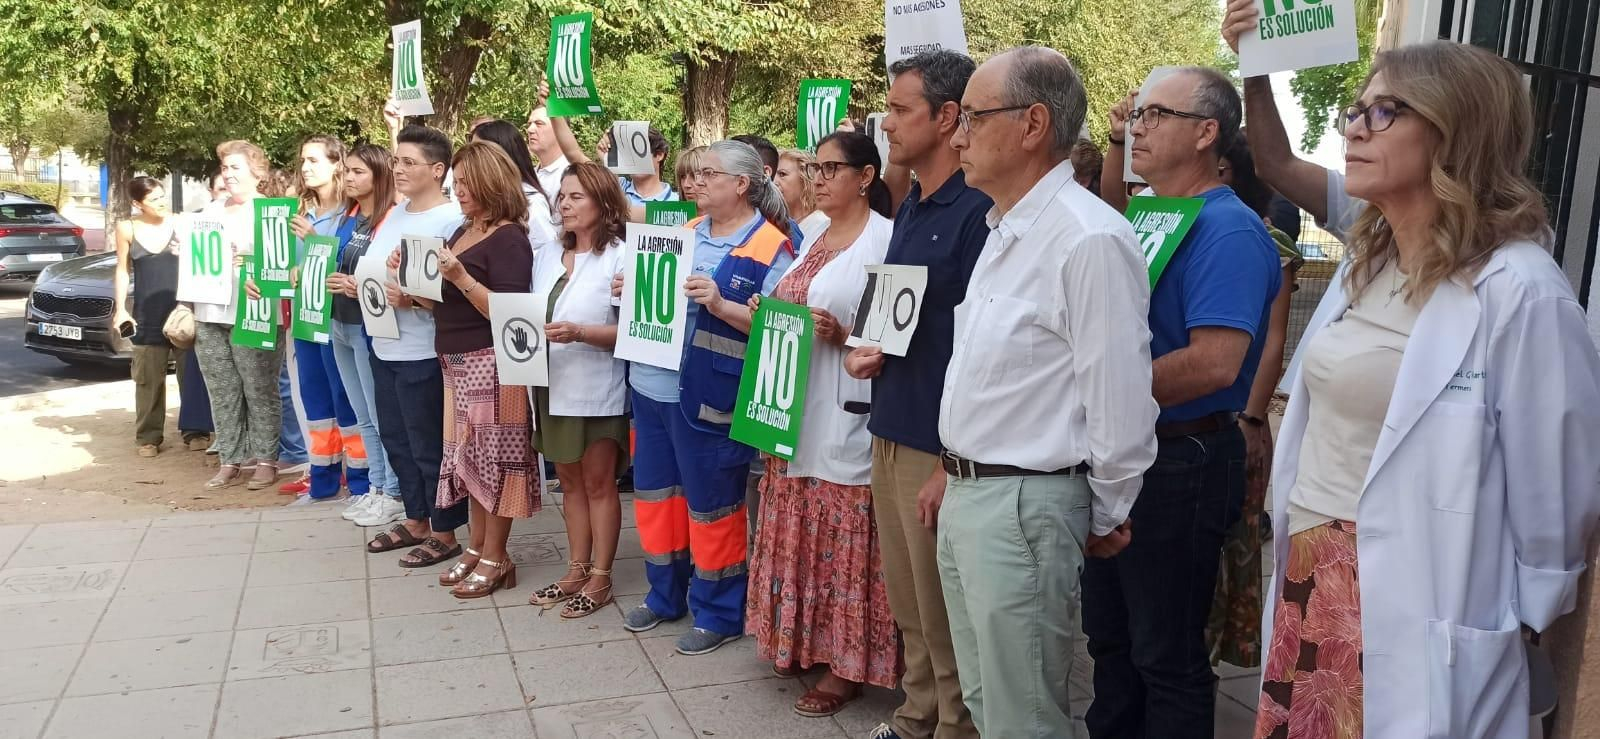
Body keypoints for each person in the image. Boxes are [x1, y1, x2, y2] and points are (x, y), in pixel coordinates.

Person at [1234, 41, 1600, 739]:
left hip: (1415, 599)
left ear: (1455, 129)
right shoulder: (1364, 266)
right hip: (1313, 572)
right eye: (1356, 110)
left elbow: (1556, 501)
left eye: (1386, 111)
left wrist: (1508, 624)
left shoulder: (1520, 290)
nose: (1355, 128)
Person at [932, 47, 1161, 738]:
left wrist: (1099, 509)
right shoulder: (1006, 229)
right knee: (988, 702)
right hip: (973, 495)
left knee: (1025, 718)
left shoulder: (1088, 238)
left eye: (972, 116)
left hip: (1025, 504)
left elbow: (1119, 401)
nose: (957, 135)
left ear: (1033, 123)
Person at [1079, 66, 1280, 739]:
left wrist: (1099, 387)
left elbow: (1214, 362)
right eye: (1137, 113)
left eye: (1155, 114)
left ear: (1206, 132)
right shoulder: (1154, 214)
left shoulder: (1228, 229)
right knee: (1111, 638)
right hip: (1126, 449)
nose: (1138, 125)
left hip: (1180, 457)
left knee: (1165, 653)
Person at [843, 48, 987, 739]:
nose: (887, 123)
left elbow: (981, 350)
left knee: (942, 605)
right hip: (889, 425)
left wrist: (946, 461)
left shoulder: (978, 212)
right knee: (908, 600)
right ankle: (916, 714)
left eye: (900, 110)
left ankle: (956, 725)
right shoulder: (910, 207)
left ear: (949, 115)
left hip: (941, 444)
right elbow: (901, 318)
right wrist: (870, 350)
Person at [745, 131, 900, 717]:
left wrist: (844, 335)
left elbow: (896, 336)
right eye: (814, 167)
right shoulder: (806, 234)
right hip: (789, 408)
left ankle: (846, 665)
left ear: (865, 176)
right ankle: (801, 640)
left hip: (843, 412)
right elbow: (783, 297)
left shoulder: (887, 240)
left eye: (832, 168)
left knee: (844, 538)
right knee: (795, 525)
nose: (818, 177)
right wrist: (768, 312)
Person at [620, 140, 796, 656]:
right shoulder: (684, 231)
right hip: (651, 387)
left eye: (708, 174)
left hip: (710, 396)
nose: (696, 182)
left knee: (713, 508)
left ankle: (719, 610)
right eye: (693, 174)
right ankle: (664, 592)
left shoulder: (772, 246)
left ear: (742, 184)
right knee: (657, 501)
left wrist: (720, 304)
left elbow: (780, 326)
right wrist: (629, 288)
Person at [397, 140, 537, 598]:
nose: (459, 192)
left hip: (492, 362)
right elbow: (443, 303)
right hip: (455, 362)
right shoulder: (463, 230)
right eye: (456, 184)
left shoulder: (510, 237)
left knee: (494, 461)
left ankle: (497, 555)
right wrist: (412, 284)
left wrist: (460, 277)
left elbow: (510, 313)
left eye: (467, 185)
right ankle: (477, 547)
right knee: (468, 461)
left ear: (492, 184)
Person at [1205, 130, 1303, 670]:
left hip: (1238, 414)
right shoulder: (1187, 226)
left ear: (1226, 172)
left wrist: (1251, 415)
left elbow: (1273, 339)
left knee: (1224, 549)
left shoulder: (1269, 243)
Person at [524, 162, 630, 619]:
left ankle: (602, 576)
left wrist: (581, 333)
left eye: (576, 197)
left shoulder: (622, 256)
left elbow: (632, 331)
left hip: (595, 384)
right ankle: (576, 568)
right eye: (561, 197)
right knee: (567, 481)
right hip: (550, 383)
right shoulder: (548, 253)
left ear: (603, 203)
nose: (564, 204)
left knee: (598, 482)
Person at [362, 125, 469, 569]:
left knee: (429, 443)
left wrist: (412, 298)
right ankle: (416, 518)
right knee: (396, 438)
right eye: (397, 160)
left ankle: (444, 531)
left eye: (409, 162)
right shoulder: (396, 211)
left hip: (423, 350)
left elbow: (452, 290)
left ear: (438, 169)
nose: (398, 168)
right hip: (383, 341)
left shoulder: (450, 218)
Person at [254, 135, 371, 505]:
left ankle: (362, 482)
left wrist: (316, 237)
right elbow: (278, 265)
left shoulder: (353, 212)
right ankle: (321, 482)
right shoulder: (296, 211)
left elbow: (346, 261)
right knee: (316, 401)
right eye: (302, 160)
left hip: (337, 315)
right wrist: (259, 281)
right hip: (304, 315)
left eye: (314, 161)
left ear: (337, 164)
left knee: (347, 399)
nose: (305, 168)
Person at [193, 140, 284, 491]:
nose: (228, 175)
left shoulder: (271, 212)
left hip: (255, 312)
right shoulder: (208, 213)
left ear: (257, 173)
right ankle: (229, 459)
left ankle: (265, 460)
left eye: (235, 168)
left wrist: (246, 263)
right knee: (223, 389)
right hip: (209, 311)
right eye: (225, 168)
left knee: (260, 388)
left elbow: (280, 265)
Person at [325, 144, 407, 527]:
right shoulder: (350, 216)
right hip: (339, 321)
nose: (350, 178)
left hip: (368, 326)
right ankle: (376, 485)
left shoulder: (391, 218)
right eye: (347, 171)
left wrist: (359, 285)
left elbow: (392, 275)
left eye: (358, 171)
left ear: (377, 174)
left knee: (378, 412)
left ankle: (393, 490)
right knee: (361, 413)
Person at [113, 177, 198, 457]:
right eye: (153, 199)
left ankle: (195, 430)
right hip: (147, 314)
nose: (161, 203)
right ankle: (148, 436)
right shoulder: (127, 228)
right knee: (148, 378)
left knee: (191, 376)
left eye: (163, 197)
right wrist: (121, 308)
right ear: (137, 204)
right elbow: (122, 269)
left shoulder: (182, 225)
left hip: (183, 312)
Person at [469, 119, 559, 253]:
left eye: (479, 152)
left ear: (502, 156)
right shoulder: (480, 199)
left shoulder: (531, 204)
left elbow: (546, 257)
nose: (470, 159)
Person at [775, 149, 829, 254]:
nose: (774, 182)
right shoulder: (775, 223)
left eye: (782, 174)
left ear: (805, 180)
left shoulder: (822, 225)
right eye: (773, 175)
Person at [525, 104, 569, 208]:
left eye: (539, 124)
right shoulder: (529, 175)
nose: (530, 130)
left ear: (559, 129)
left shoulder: (571, 174)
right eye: (529, 124)